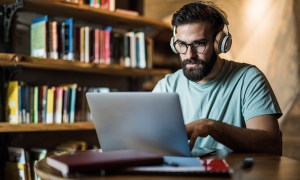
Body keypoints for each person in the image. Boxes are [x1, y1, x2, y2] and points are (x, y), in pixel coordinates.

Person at [152, 1, 282, 155]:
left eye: (199, 44)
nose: (189, 55)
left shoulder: (249, 78)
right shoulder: (166, 86)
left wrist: (211, 127)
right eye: (182, 44)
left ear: (220, 43)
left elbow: (272, 144)